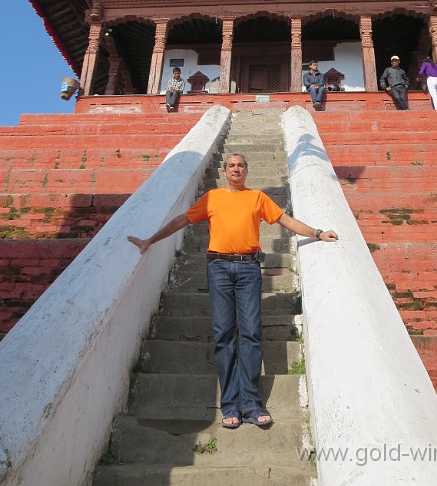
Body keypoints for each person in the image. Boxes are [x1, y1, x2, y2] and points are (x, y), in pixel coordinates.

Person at [128, 153, 338, 430]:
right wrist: (151, 240)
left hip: (249, 269)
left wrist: (318, 232)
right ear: (225, 171)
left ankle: (251, 403)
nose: (236, 169)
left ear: (247, 171)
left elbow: (285, 221)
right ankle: (230, 405)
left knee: (251, 332)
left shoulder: (257, 198)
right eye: (231, 165)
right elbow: (183, 220)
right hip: (219, 269)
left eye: (241, 165)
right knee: (224, 335)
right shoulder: (213, 198)